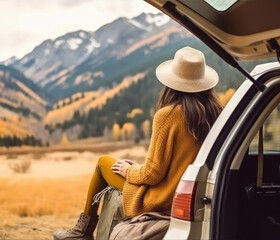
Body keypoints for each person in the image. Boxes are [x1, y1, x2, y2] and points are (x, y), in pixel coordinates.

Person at [53, 46, 224, 240]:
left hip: (162, 198)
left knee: (103, 162)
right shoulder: (218, 114)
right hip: (195, 196)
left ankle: (82, 231)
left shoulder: (168, 115)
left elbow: (153, 174)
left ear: (172, 83)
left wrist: (129, 171)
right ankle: (81, 231)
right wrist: (138, 168)